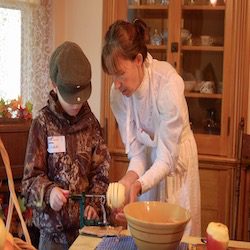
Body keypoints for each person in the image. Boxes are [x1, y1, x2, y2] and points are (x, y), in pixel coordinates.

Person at [101, 19, 201, 236]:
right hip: (149, 170)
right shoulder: (118, 95)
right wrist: (127, 184)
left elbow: (166, 158)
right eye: (112, 75)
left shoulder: (167, 85)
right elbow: (138, 155)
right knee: (148, 234)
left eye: (120, 74)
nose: (116, 84)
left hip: (176, 163)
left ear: (138, 60)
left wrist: (138, 185)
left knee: (178, 235)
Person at [21, 41, 111, 250]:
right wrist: (49, 192)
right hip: (52, 237)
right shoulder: (42, 124)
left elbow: (102, 173)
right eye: (71, 98)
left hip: (87, 233)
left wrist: (94, 205)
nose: (77, 104)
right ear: (54, 85)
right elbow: (29, 182)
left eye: (81, 98)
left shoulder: (91, 124)